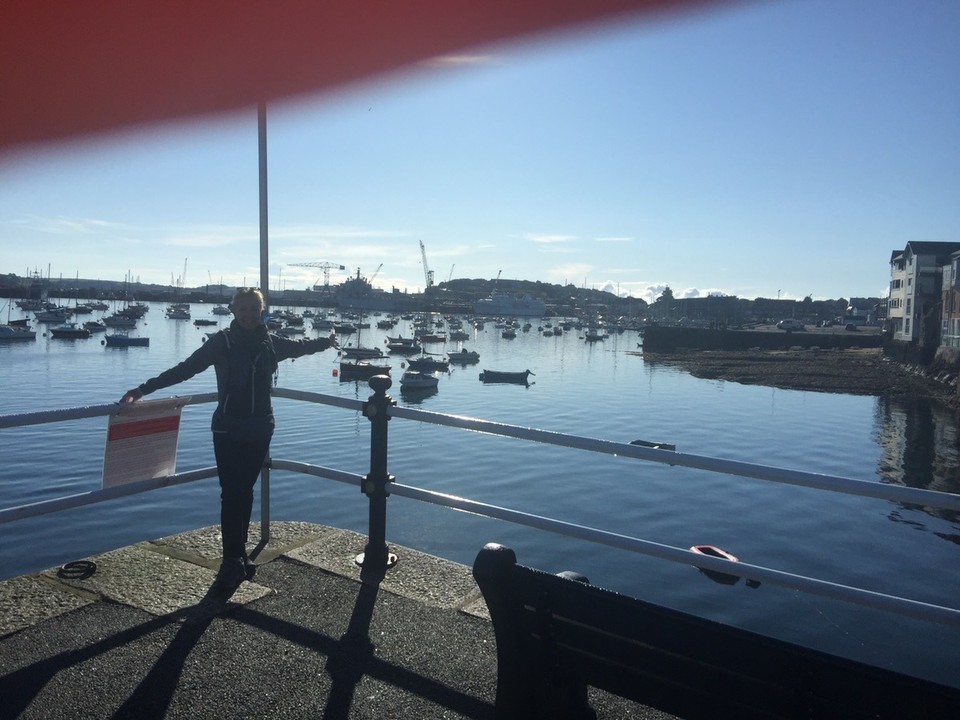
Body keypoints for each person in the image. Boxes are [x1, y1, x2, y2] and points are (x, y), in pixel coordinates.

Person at [120, 288, 338, 590]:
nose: (249, 314)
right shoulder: (221, 342)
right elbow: (186, 369)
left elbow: (302, 346)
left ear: (262, 310)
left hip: (261, 427)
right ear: (233, 311)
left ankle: (240, 556)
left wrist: (326, 342)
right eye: (243, 309)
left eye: (254, 308)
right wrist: (144, 389)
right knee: (230, 492)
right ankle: (230, 559)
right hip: (228, 428)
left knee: (245, 491)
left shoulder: (271, 343)